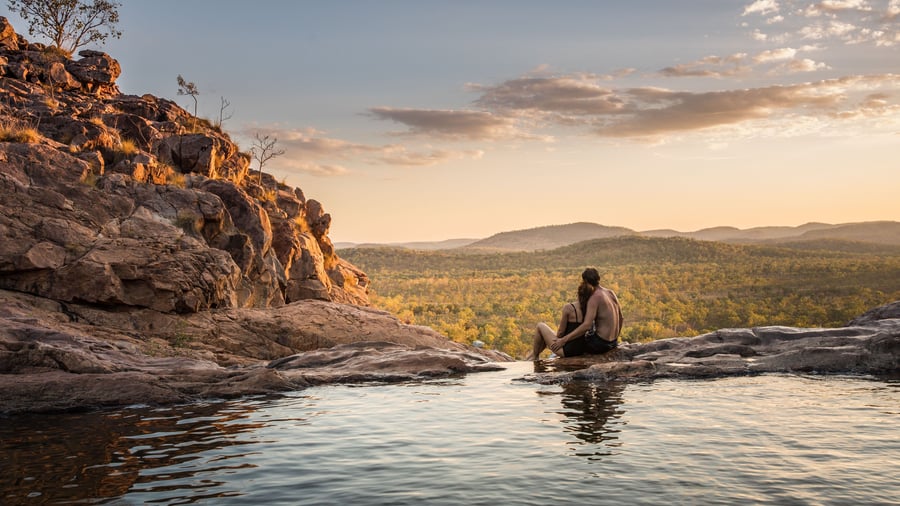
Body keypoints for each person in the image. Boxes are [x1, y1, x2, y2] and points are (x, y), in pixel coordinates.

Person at [528, 268, 623, 360]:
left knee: (553, 335)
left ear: (585, 281)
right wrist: (614, 338)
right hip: (613, 342)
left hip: (600, 344)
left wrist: (563, 340)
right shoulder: (611, 292)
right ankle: (534, 355)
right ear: (598, 278)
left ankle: (534, 356)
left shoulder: (594, 297)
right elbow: (621, 318)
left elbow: (586, 325)